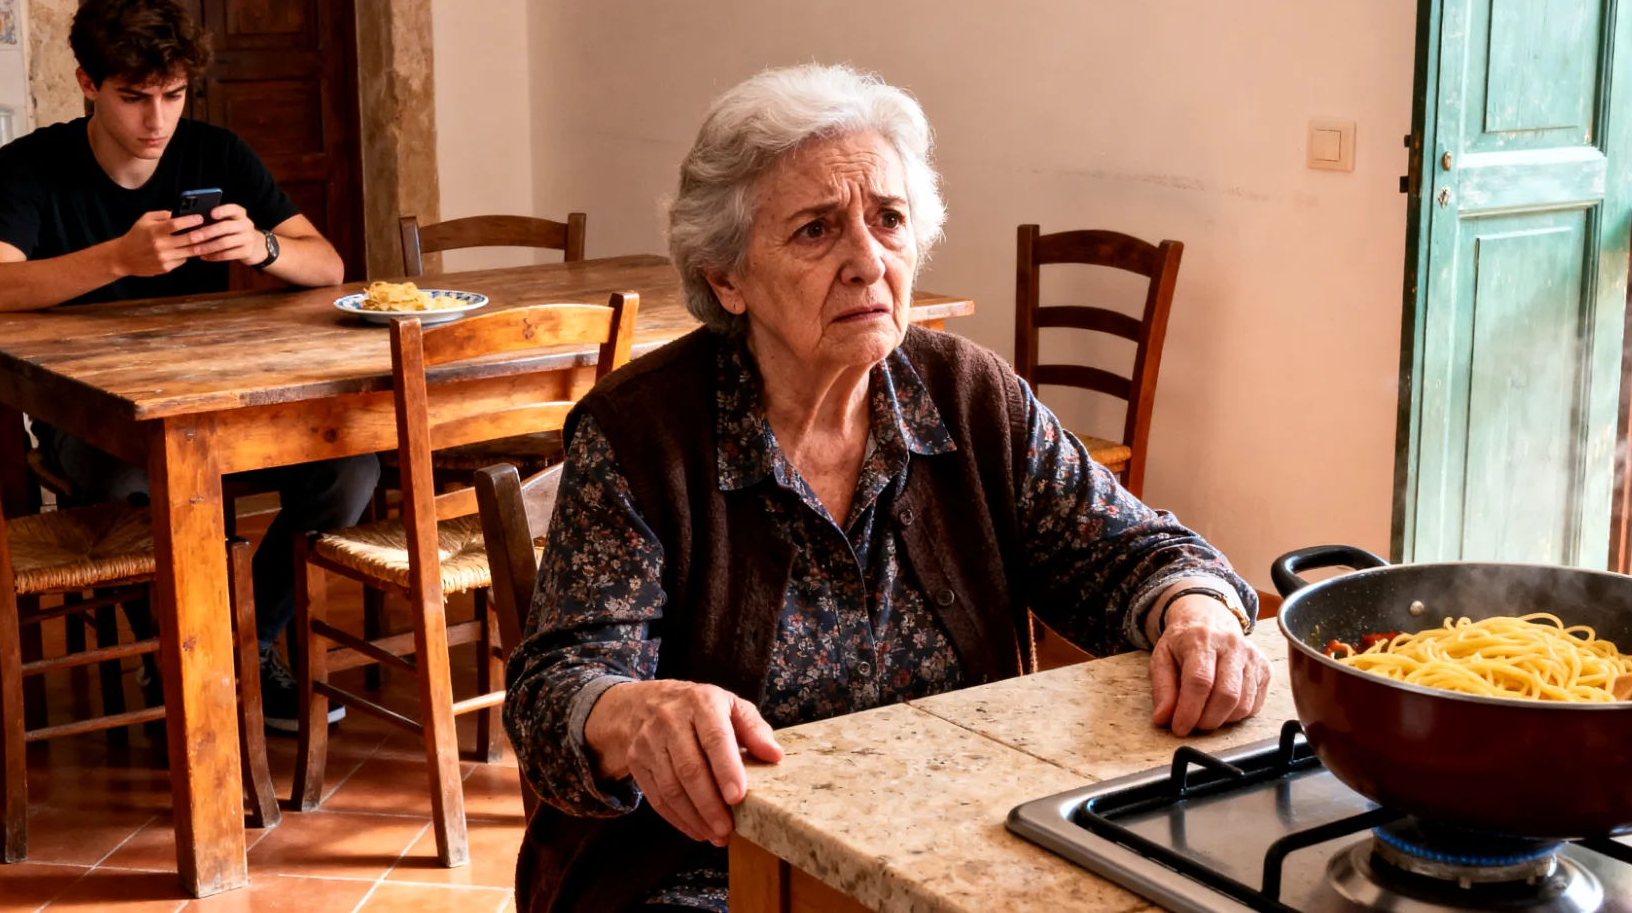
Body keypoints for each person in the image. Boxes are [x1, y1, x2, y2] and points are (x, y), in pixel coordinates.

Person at [501, 64, 1272, 913]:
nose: (868, 262)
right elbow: (556, 690)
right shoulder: (641, 434)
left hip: (953, 851)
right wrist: (631, 713)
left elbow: (1136, 550)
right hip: (707, 875)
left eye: (889, 221)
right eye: (815, 231)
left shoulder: (968, 395)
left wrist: (1195, 611)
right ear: (728, 277)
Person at [0, 0, 375, 732]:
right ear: (87, 84)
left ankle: (249, 646)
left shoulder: (216, 151)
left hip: (224, 405)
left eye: (173, 95)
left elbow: (331, 265)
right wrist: (116, 258)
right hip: (90, 420)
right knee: (144, 480)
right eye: (133, 98)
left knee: (352, 469)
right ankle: (185, 655)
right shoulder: (32, 165)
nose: (157, 120)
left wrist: (265, 247)